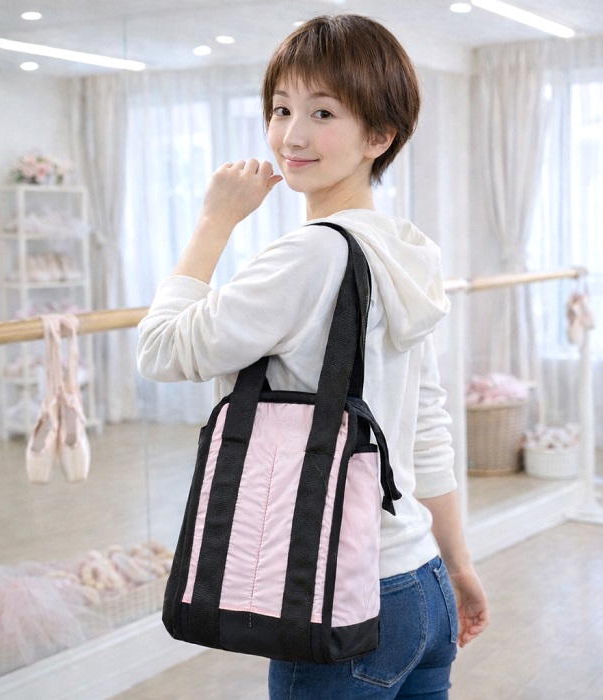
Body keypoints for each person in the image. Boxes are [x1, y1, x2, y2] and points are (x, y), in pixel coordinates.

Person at [137, 13, 488, 699]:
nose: (291, 135)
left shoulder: (311, 255)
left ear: (379, 136)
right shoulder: (406, 251)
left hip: (336, 598)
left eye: (323, 113)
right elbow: (425, 426)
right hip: (421, 585)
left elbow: (160, 350)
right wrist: (459, 564)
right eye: (281, 109)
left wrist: (214, 220)